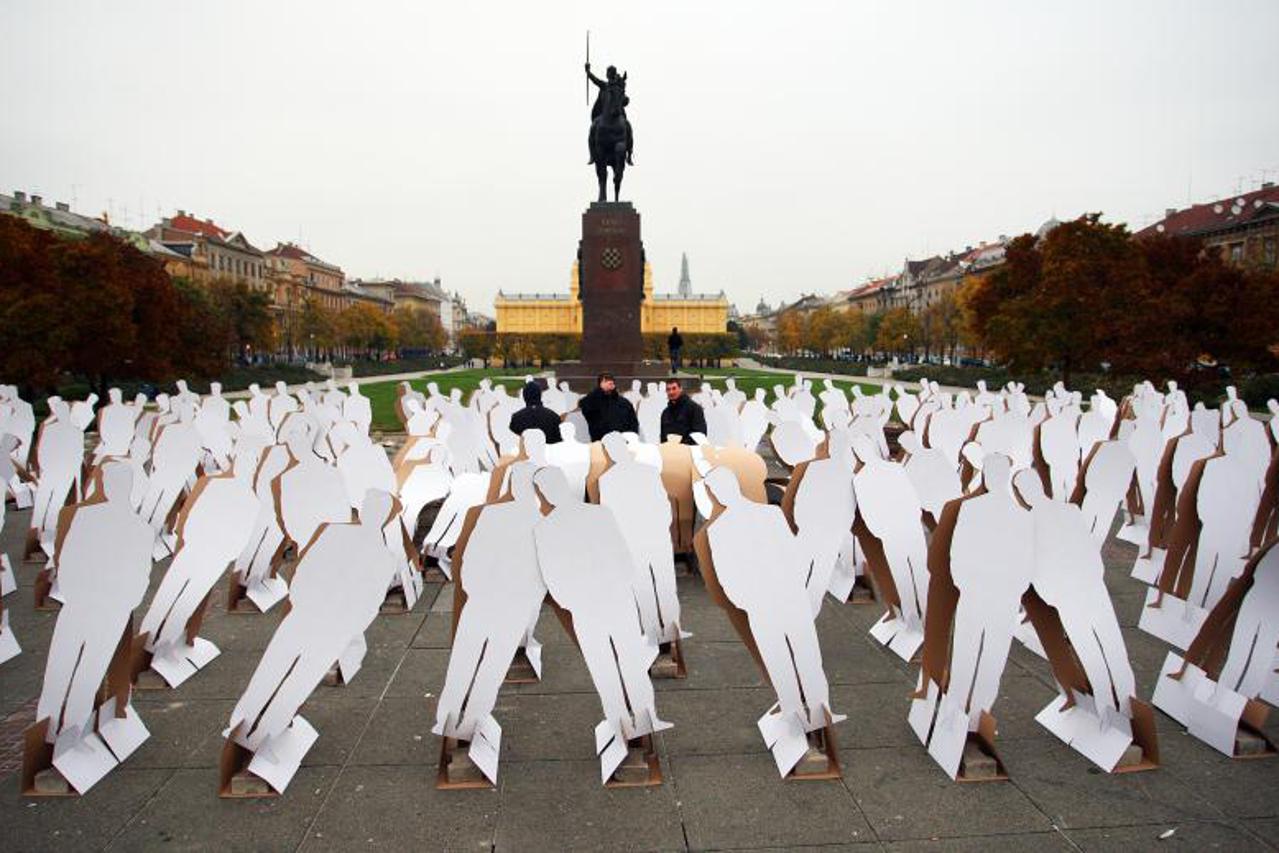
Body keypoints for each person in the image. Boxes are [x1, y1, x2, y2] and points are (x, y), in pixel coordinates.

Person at [578, 372, 638, 442]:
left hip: (622, 442)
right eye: (605, 381)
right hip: (600, 443)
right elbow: (583, 404)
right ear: (600, 384)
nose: (609, 383)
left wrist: (630, 439)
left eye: (610, 381)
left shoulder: (624, 403)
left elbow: (633, 423)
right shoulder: (594, 401)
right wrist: (600, 390)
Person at [509, 381, 563, 445]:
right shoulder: (554, 416)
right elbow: (558, 441)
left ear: (524, 396)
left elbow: (513, 441)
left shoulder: (516, 418)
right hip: (548, 453)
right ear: (540, 395)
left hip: (526, 453)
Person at [659, 378, 706, 445]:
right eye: (668, 389)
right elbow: (663, 437)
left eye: (674, 388)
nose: (671, 392)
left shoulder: (694, 408)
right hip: (669, 452)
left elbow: (699, 434)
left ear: (680, 389)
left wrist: (682, 446)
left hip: (689, 452)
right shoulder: (665, 413)